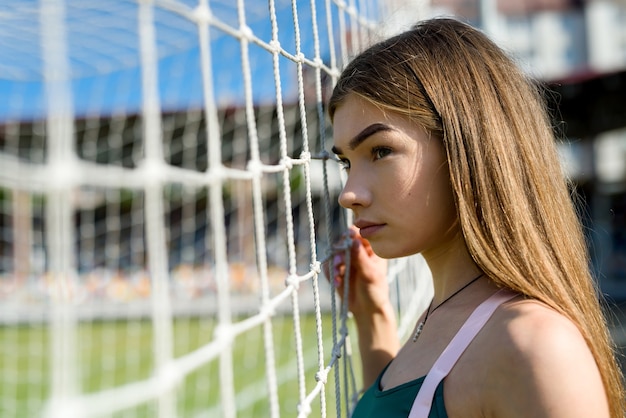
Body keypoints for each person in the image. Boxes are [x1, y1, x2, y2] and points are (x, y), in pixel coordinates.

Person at [326, 17, 626, 418]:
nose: (349, 194)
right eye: (347, 162)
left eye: (380, 151)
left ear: (466, 149)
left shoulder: (535, 345)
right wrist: (372, 316)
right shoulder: (440, 314)